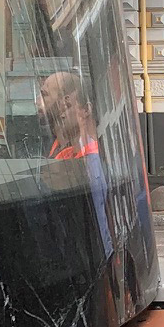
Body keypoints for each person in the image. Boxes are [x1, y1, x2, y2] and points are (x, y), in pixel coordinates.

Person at [39, 67, 112, 258]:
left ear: (85, 110)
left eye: (68, 105)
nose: (62, 113)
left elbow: (98, 229)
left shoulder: (89, 163)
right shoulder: (62, 152)